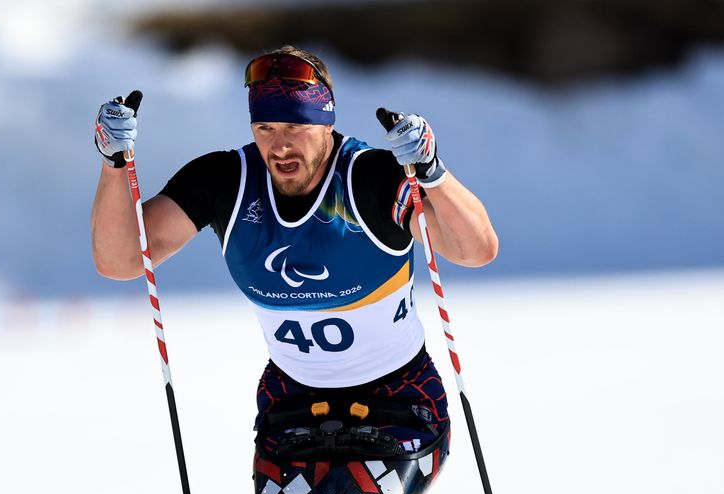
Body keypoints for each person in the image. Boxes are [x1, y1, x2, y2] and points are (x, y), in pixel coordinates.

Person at [90, 45, 498, 450]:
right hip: (292, 402)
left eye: (294, 127)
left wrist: (432, 174)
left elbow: (475, 250)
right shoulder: (224, 181)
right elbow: (121, 260)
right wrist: (114, 163)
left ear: (325, 124)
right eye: (265, 128)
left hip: (399, 399)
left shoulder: (369, 178)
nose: (280, 145)